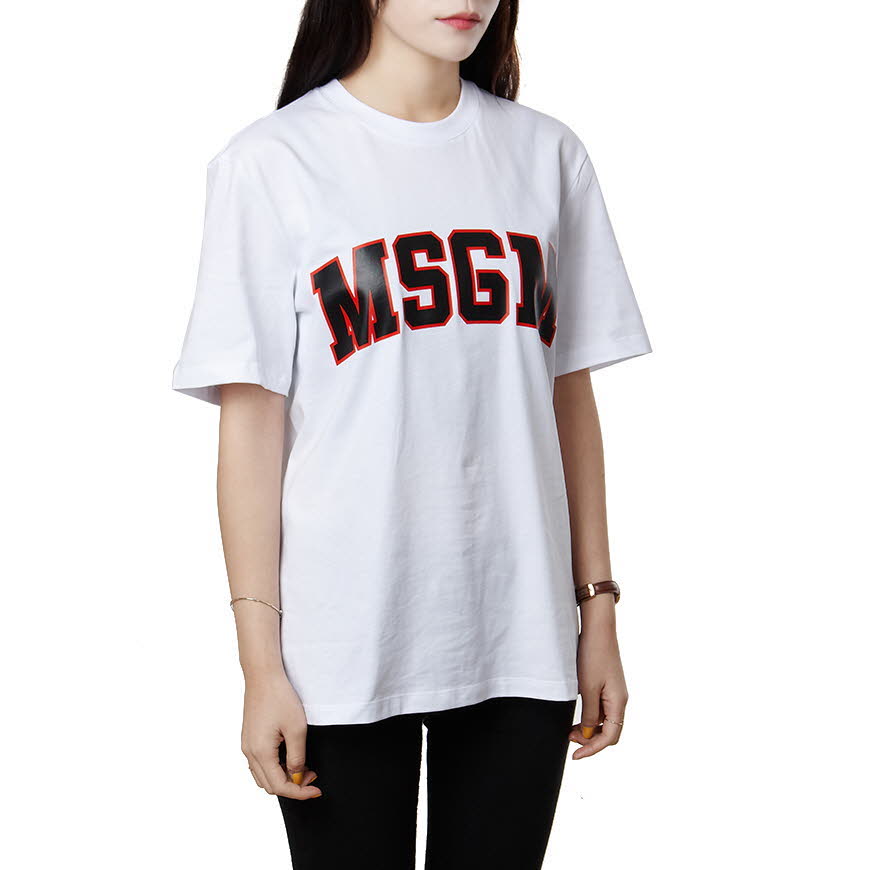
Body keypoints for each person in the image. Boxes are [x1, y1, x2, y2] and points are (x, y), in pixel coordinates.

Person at [171, 1, 652, 867]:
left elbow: (567, 397)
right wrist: (259, 665)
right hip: (340, 638)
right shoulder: (271, 163)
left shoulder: (547, 155)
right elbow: (252, 431)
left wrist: (599, 611)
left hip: (520, 627)